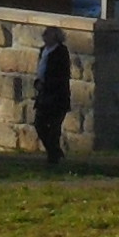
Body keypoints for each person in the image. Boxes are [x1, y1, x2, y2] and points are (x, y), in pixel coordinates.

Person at [30, 33, 72, 167]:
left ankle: (53, 157)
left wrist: (47, 84)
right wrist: (38, 83)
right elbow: (40, 70)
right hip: (43, 95)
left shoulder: (61, 52)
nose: (45, 37)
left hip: (57, 96)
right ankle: (54, 151)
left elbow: (62, 75)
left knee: (54, 127)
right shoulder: (43, 51)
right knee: (39, 124)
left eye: (48, 34)